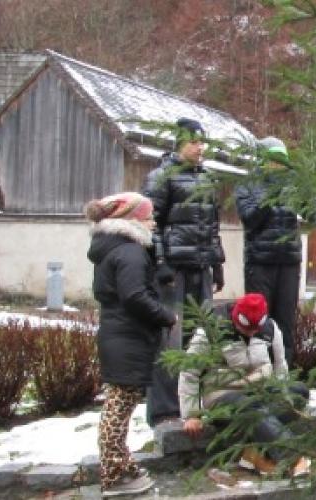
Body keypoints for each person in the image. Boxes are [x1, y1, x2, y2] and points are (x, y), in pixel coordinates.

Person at [85, 192, 176, 496]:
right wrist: (165, 315)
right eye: (149, 217)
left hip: (120, 336)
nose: (153, 223)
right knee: (117, 410)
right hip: (127, 338)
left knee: (118, 408)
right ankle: (114, 476)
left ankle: (123, 467)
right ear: (133, 220)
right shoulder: (130, 252)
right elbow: (135, 296)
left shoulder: (113, 250)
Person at [143, 117, 227, 424]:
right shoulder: (160, 177)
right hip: (173, 271)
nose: (200, 147)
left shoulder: (207, 178)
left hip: (200, 267)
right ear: (179, 144)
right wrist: (161, 264)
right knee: (170, 338)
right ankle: (164, 411)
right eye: (194, 141)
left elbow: (212, 226)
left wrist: (217, 264)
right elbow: (151, 225)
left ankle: (192, 405)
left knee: (199, 338)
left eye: (202, 141)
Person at [179, 294, 308, 476]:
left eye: (255, 330)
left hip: (258, 391)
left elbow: (280, 367)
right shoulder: (211, 329)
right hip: (222, 395)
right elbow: (189, 372)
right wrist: (191, 415)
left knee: (298, 392)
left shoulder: (270, 329)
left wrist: (282, 394)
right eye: (246, 329)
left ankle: (254, 454)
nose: (251, 334)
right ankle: (293, 456)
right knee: (250, 407)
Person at [237, 137, 310, 369]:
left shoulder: (293, 185)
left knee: (285, 322)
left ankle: (283, 373)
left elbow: (312, 214)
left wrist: (305, 189)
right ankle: (260, 372)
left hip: (288, 261)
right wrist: (270, 195)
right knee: (259, 320)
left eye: (282, 161)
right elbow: (250, 220)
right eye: (274, 160)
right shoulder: (248, 185)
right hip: (260, 262)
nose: (279, 166)